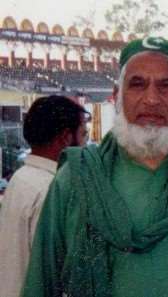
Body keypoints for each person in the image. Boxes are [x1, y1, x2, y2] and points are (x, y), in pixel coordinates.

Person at [22, 37, 168, 297]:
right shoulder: (77, 177)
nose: (151, 99)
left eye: (166, 86)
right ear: (116, 96)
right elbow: (41, 283)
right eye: (137, 85)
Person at [0, 95, 89, 297]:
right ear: (66, 138)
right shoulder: (52, 189)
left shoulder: (21, 178)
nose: (86, 146)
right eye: (84, 135)